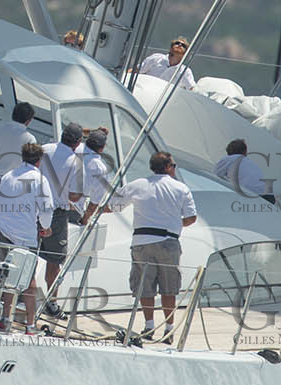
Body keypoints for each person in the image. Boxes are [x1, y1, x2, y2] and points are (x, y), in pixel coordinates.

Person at [102, 150, 197, 341]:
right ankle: (169, 329)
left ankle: (149, 326)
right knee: (169, 287)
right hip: (168, 242)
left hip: (141, 241)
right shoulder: (181, 188)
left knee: (145, 286)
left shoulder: (138, 185)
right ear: (169, 167)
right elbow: (191, 217)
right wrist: (176, 223)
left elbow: (112, 206)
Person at [0, 142, 55, 334]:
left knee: (10, 276)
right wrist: (46, 228)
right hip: (25, 237)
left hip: (4, 232)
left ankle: (5, 319)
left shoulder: (8, 176)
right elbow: (47, 209)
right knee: (29, 281)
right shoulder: (39, 179)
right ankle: (29, 325)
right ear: (39, 160)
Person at [38, 123, 86, 310]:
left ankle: (20, 293)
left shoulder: (44, 149)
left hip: (33, 208)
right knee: (54, 260)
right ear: (78, 142)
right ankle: (51, 303)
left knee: (27, 254)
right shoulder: (76, 162)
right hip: (56, 214)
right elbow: (74, 195)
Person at [214, 139, 275, 204]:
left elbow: (214, 176)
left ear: (228, 152)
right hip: (270, 196)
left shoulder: (228, 159)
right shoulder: (249, 162)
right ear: (245, 152)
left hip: (253, 194)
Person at [76, 129, 116, 227]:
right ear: (102, 149)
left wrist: (96, 132)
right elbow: (94, 202)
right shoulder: (100, 169)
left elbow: (77, 131)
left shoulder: (74, 148)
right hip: (74, 211)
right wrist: (84, 219)